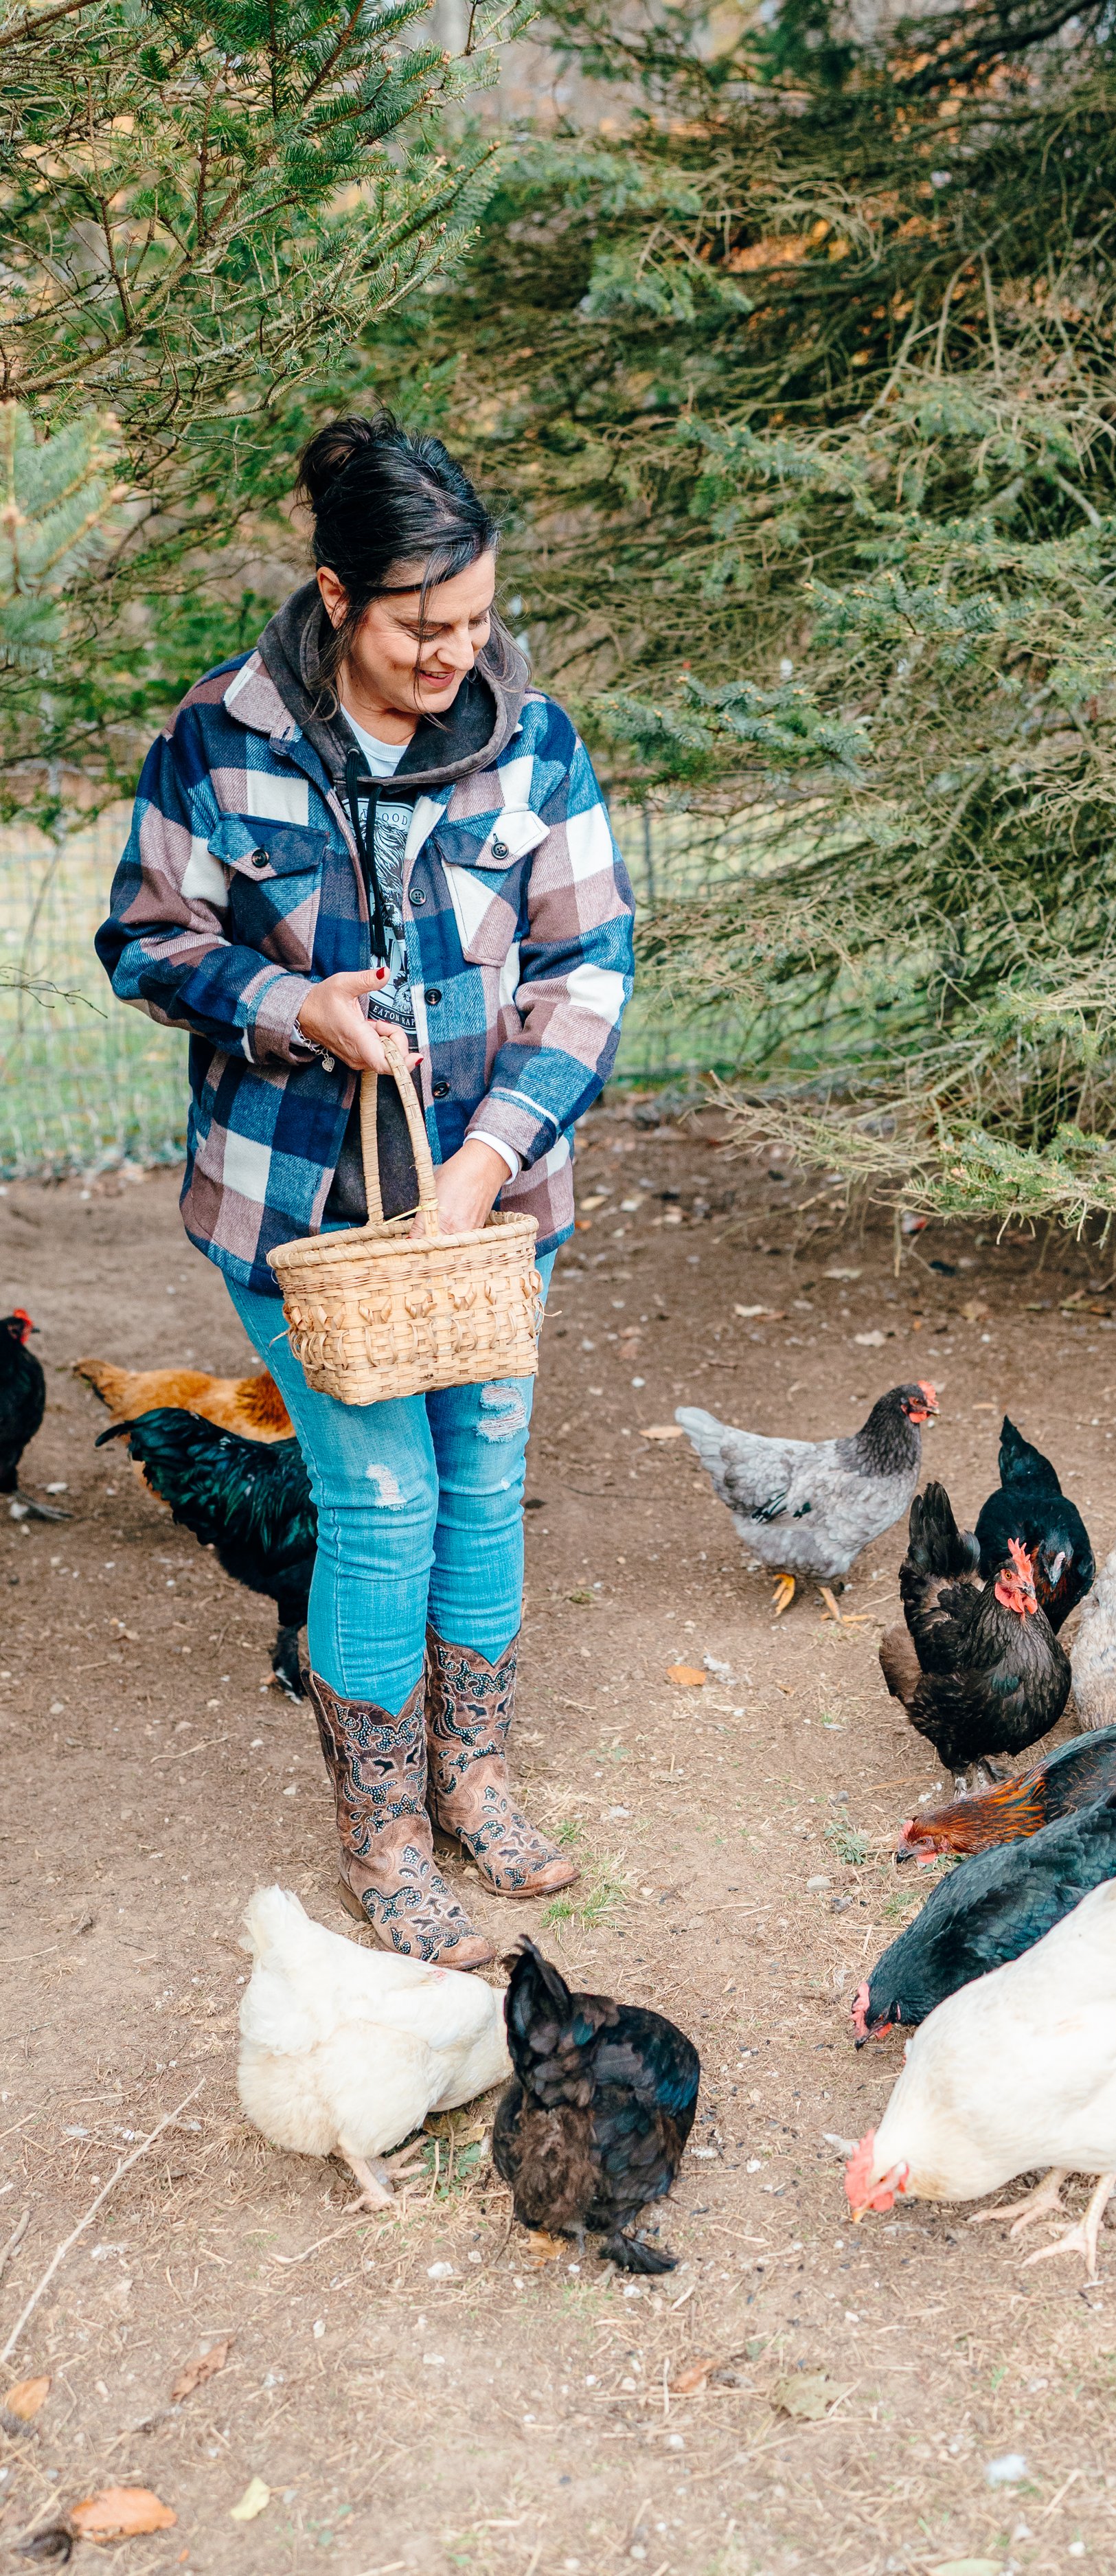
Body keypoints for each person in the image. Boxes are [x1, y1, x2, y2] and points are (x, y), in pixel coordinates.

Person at [98, 412, 635, 1967]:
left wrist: (485, 1162)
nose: (455, 654)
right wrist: (291, 1005)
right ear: (336, 598)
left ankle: (472, 1777)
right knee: (381, 1496)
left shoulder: (530, 735)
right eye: (420, 626)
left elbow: (587, 967)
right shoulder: (219, 739)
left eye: (475, 621)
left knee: (480, 1477)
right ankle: (382, 1823)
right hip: (292, 1206)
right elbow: (146, 940)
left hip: (490, 1200)